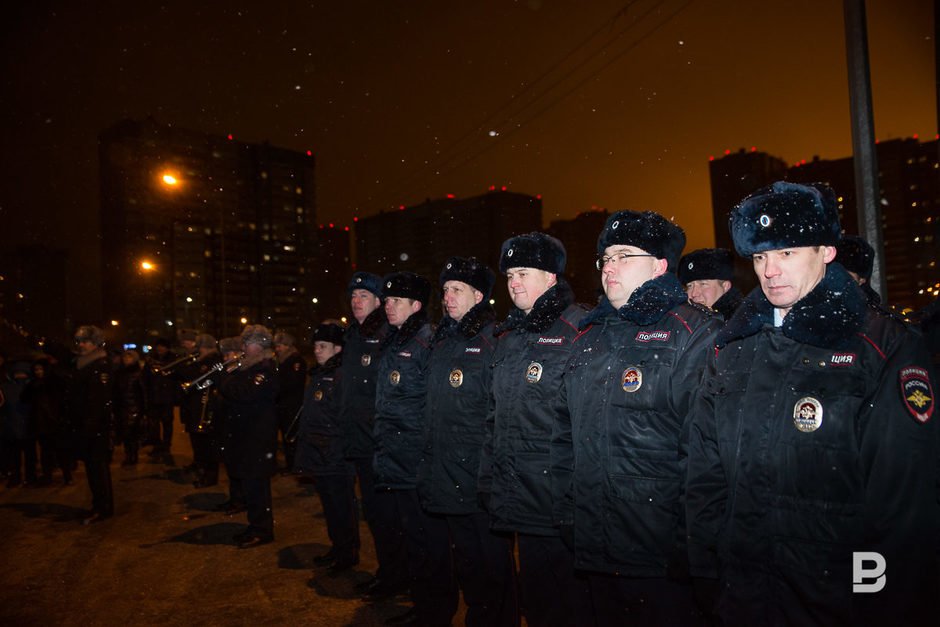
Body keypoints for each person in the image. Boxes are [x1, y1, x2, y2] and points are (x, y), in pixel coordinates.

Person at [686, 181, 939, 626]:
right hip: (743, 599)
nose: (770, 271)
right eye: (760, 257)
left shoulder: (882, 347)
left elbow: (902, 508)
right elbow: (705, 474)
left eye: (787, 253)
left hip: (836, 602)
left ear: (826, 251)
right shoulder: (733, 348)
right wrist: (709, 574)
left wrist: (875, 601)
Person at [553, 211, 721, 626]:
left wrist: (692, 541)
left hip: (658, 549)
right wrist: (567, 511)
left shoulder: (694, 333)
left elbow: (704, 452)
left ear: (659, 265)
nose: (609, 266)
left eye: (624, 256)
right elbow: (564, 433)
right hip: (593, 542)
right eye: (606, 258)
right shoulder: (589, 337)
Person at [477, 232, 591, 627]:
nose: (513, 283)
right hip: (519, 495)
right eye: (509, 275)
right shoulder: (510, 337)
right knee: (539, 600)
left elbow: (585, 421)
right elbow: (496, 416)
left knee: (572, 604)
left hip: (557, 499)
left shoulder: (579, 328)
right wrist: (489, 478)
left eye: (523, 273)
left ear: (551, 277)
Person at [417, 257, 518, 627]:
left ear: (478, 296)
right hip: (446, 475)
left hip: (479, 478)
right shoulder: (443, 342)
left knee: (493, 564)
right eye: (445, 290)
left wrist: (491, 474)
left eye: (457, 289)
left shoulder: (495, 340)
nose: (448, 297)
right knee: (469, 563)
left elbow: (501, 412)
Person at [373, 270, 457, 626]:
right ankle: (423, 606)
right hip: (395, 459)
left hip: (417, 463)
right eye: (387, 300)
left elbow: (432, 407)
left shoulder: (427, 343)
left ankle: (436, 612)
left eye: (396, 300)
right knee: (412, 539)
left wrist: (423, 457)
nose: (388, 306)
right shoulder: (394, 342)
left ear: (416, 305)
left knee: (429, 543)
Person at [338, 271, 407, 599]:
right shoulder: (353, 335)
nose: (356, 301)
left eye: (364, 295)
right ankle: (388, 572)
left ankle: (396, 578)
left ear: (379, 302)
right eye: (353, 296)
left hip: (377, 443)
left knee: (386, 516)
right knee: (375, 515)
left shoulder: (385, 335)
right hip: (358, 440)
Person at [293, 322, 360, 575]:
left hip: (335, 455)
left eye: (323, 346)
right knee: (330, 507)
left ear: (338, 348)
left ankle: (347, 553)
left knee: (341, 507)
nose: (317, 351)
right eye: (316, 346)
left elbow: (345, 417)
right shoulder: (320, 374)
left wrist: (332, 444)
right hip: (320, 453)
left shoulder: (342, 375)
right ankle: (337, 547)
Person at [218, 325, 279, 548]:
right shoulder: (248, 367)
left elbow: (243, 393)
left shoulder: (264, 369)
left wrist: (223, 378)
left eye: (248, 343)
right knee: (250, 486)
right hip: (247, 437)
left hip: (257, 439)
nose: (243, 347)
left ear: (260, 345)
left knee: (257, 488)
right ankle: (255, 526)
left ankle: (262, 530)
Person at [64, 325, 115, 525]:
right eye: (79, 341)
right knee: (93, 468)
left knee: (98, 469)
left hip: (96, 427)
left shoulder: (100, 365)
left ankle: (103, 507)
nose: (82, 345)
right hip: (87, 425)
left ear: (96, 343)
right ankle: (99, 505)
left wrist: (91, 426)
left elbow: (98, 400)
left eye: (86, 341)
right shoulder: (83, 363)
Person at [179, 334, 222, 487]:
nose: (198, 350)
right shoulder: (199, 361)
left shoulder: (214, 361)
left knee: (208, 444)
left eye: (200, 347)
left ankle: (210, 476)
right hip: (196, 405)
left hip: (206, 406)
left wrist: (194, 379)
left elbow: (206, 380)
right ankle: (201, 467)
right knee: (198, 442)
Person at [677, 247, 743, 320]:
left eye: (703, 284)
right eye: (689, 286)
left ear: (725, 287)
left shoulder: (741, 322)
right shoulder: (681, 319)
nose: (694, 294)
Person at [274, 331, 307, 474]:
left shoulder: (295, 360)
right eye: (276, 346)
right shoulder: (281, 361)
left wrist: (277, 387)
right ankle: (290, 464)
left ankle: (295, 465)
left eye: (280, 345)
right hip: (283, 404)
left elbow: (292, 383)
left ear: (288, 346)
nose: (277, 349)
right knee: (287, 436)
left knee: (292, 437)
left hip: (292, 405)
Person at [1, 361, 37, 487]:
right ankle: (17, 477)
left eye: (23, 373)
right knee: (15, 456)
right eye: (17, 373)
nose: (20, 376)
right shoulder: (5, 387)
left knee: (28, 456)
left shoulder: (33, 386)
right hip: (13, 426)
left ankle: (29, 477)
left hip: (28, 426)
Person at [144, 338, 178, 461]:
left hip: (167, 397)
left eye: (162, 346)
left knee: (167, 423)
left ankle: (166, 447)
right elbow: (145, 377)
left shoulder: (173, 359)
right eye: (158, 346)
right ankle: (157, 446)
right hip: (154, 396)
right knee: (154, 424)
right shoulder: (151, 359)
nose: (160, 348)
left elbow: (176, 377)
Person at [113, 349, 146, 467]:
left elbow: (143, 393)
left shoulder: (138, 373)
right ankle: (128, 455)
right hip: (122, 407)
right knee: (125, 434)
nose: (126, 359)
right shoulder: (119, 373)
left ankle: (133, 455)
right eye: (125, 357)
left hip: (134, 408)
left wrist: (144, 410)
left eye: (130, 357)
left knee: (132, 433)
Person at [836, 234, 883, 306]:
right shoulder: (821, 303)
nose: (841, 282)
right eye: (837, 275)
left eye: (848, 278)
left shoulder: (868, 309)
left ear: (861, 281)